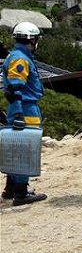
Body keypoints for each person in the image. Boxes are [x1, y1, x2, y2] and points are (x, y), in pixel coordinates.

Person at [1, 22, 47, 206]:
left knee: (16, 148)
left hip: (20, 108)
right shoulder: (21, 59)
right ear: (32, 39)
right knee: (25, 151)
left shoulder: (17, 56)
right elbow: (16, 88)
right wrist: (19, 113)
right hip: (26, 109)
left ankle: (11, 188)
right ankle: (21, 192)